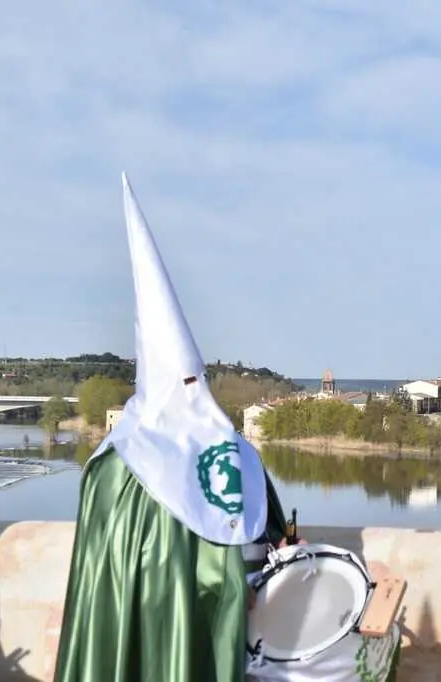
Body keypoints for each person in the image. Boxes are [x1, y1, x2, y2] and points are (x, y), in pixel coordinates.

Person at [53, 174, 285, 682]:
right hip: (213, 625)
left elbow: (99, 572)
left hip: (141, 622)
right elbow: (268, 534)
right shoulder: (235, 452)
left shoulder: (111, 463)